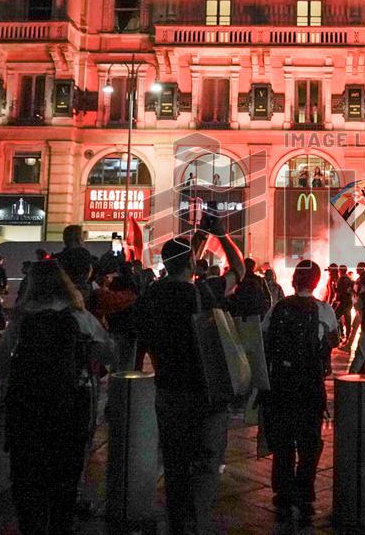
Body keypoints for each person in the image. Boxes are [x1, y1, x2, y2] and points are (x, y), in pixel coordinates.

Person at [0, 260, 115, 535]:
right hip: (70, 407)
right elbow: (110, 354)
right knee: (65, 479)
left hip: (26, 409)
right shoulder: (79, 317)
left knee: (27, 479)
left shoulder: (23, 319)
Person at [135, 227, 244, 534]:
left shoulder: (151, 295)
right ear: (193, 265)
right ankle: (195, 519)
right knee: (207, 458)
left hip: (168, 387)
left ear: (165, 263)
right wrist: (221, 236)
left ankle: (177, 519)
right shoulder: (203, 292)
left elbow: (140, 340)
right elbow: (239, 269)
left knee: (174, 460)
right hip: (205, 390)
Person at [261, 260, 339, 527]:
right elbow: (335, 339)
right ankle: (305, 491)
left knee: (283, 440)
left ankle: (282, 493)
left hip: (282, 383)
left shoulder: (279, 307)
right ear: (316, 282)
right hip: (311, 383)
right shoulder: (324, 309)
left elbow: (263, 335)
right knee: (310, 441)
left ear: (294, 280)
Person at [93, 261, 140, 371]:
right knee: (126, 364)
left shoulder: (106, 285)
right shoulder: (131, 286)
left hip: (113, 327)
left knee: (115, 364)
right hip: (128, 329)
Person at [57, 225, 96, 307]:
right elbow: (88, 272)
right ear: (79, 239)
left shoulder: (61, 257)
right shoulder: (84, 254)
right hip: (82, 292)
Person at [334, 265, 354, 343]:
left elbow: (343, 291)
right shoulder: (348, 278)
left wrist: (335, 290)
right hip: (347, 301)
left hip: (344, 302)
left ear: (340, 270)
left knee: (336, 318)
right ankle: (346, 337)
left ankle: (343, 337)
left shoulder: (343, 279)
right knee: (347, 320)